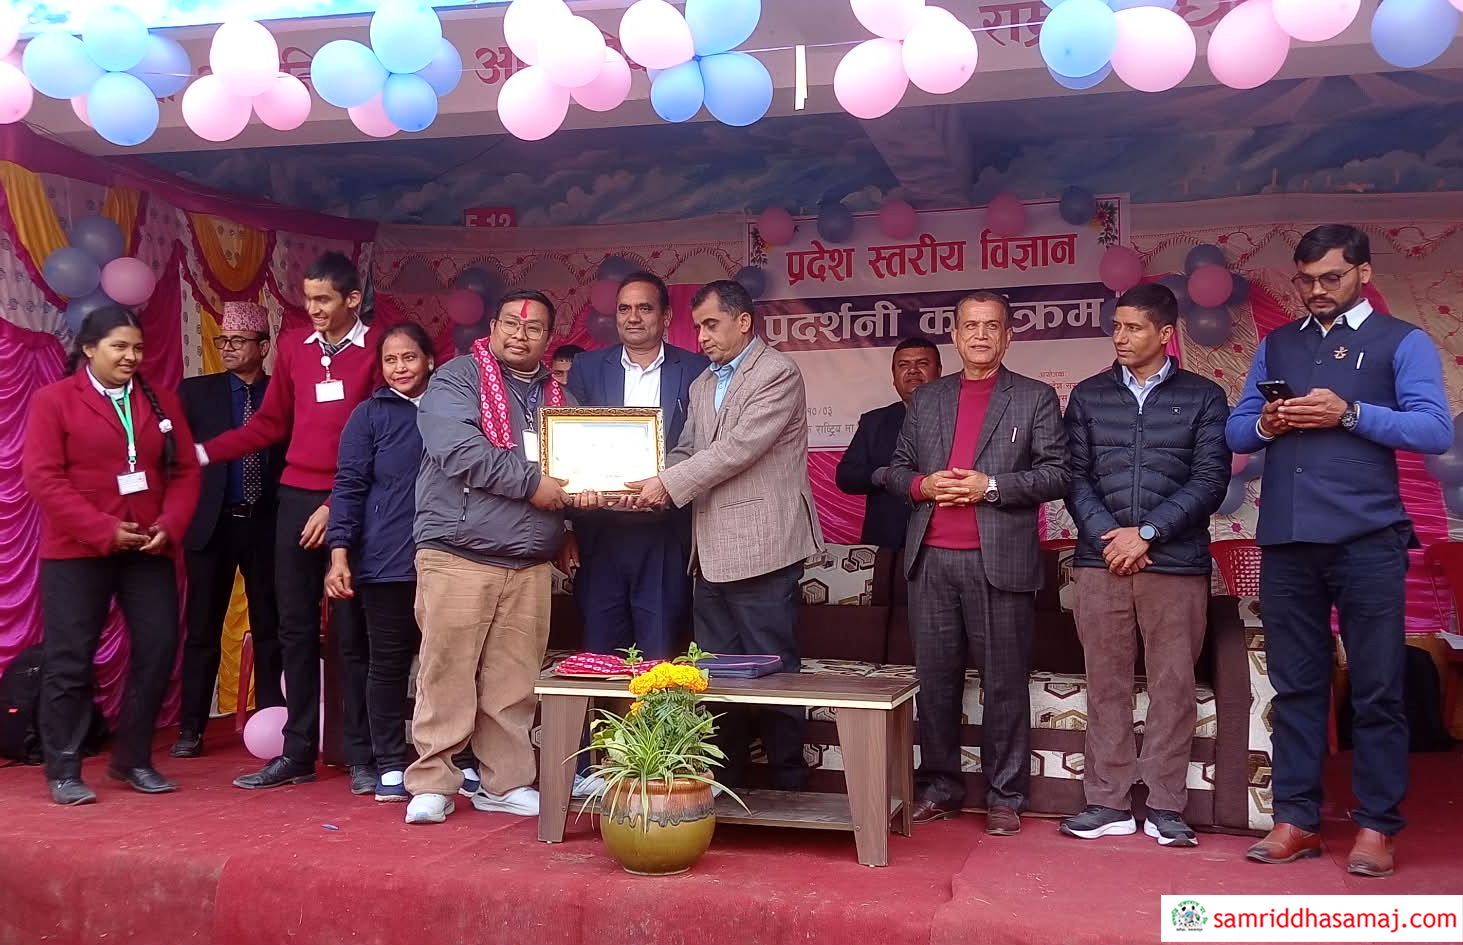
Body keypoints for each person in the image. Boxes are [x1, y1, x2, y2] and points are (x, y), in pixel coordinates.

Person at [1229, 224, 1452, 878]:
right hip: (1288, 541)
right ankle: (1295, 819)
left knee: (1377, 688)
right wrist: (1266, 422)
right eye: (1305, 280)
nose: (1316, 290)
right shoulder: (1277, 343)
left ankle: (1377, 825)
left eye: (1330, 277)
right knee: (1296, 686)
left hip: (1367, 540)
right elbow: (1236, 429)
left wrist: (1349, 413)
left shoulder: (1401, 340)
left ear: (1363, 273)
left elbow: (1434, 428)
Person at [885, 290, 1070, 833]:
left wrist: (990, 487)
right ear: (955, 335)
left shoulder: (1034, 397)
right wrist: (922, 485)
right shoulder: (929, 398)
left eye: (991, 326)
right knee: (936, 683)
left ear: (1008, 336)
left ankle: (1006, 795)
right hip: (932, 561)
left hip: (1000, 562)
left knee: (1004, 684)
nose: (981, 335)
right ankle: (939, 787)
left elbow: (1058, 474)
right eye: (970, 326)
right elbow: (896, 469)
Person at [628, 279, 824, 791]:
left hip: (764, 546)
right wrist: (641, 478)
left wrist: (667, 485)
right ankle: (726, 778)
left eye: (711, 325)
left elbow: (737, 449)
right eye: (697, 327)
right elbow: (689, 450)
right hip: (709, 551)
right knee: (715, 674)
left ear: (744, 321)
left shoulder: (777, 372)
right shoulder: (701, 384)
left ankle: (788, 783)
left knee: (775, 671)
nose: (702, 337)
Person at [199, 252, 380, 794]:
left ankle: (360, 753)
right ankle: (297, 752)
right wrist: (205, 452)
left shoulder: (378, 349)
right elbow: (271, 423)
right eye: (308, 299)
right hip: (295, 498)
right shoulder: (295, 347)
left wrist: (336, 504)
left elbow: (383, 438)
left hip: (351, 501)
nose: (313, 309)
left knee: (352, 633)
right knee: (294, 628)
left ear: (352, 299)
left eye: (324, 299)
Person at [1059, 283, 1231, 847]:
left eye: (1133, 328)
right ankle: (1107, 803)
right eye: (1117, 326)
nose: (1120, 337)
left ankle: (1164, 806)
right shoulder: (1088, 395)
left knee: (1173, 687)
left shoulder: (1204, 396)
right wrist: (1111, 538)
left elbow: (1210, 481)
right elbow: (1074, 477)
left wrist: (1149, 533)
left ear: (1165, 334)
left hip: (1174, 564)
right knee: (1105, 684)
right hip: (1100, 560)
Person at [404, 289, 577, 825]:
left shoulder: (560, 397)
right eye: (511, 324)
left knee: (514, 682)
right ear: (494, 327)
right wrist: (532, 484)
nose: (520, 335)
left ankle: (505, 783)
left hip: (528, 561)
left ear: (549, 338)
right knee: (446, 672)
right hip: (460, 552)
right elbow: (457, 449)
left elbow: (572, 469)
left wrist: (580, 508)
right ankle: (432, 781)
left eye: (533, 328)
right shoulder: (459, 378)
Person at [21, 306, 201, 805]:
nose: (131, 356)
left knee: (160, 646)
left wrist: (170, 525)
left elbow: (185, 471)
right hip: (76, 549)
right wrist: (102, 530)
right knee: (69, 658)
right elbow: (43, 478)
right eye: (119, 346)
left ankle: (133, 759)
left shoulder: (161, 400)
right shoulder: (54, 400)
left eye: (137, 348)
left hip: (148, 545)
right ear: (89, 349)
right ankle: (63, 768)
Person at [564, 271, 709, 660]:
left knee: (661, 654)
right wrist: (575, 505)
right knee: (601, 653)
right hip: (601, 530)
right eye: (624, 308)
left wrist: (663, 485)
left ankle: (659, 706)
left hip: (665, 531)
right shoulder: (588, 368)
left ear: (666, 316)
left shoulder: (696, 369)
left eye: (644, 308)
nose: (633, 317)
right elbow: (569, 440)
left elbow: (703, 445)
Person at [324, 322, 437, 803]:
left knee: (447, 665)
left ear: (430, 360)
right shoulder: (368, 415)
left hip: (448, 558)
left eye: (409, 357)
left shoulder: (452, 409)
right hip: (386, 561)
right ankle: (388, 761)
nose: (400, 368)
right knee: (387, 664)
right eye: (390, 360)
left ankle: (455, 759)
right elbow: (348, 486)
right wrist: (339, 553)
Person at [171, 302, 285, 759]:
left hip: (267, 524)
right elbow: (175, 457)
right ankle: (190, 729)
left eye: (239, 341)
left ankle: (276, 721)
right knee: (202, 630)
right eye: (224, 341)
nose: (229, 348)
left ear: (264, 346)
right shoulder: (195, 393)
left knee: (271, 627)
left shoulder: (282, 394)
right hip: (211, 526)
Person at [836, 338, 942, 548]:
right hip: (888, 543)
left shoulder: (961, 416)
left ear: (939, 371)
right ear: (894, 377)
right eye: (903, 365)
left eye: (922, 363)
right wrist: (884, 475)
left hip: (942, 540)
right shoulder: (874, 422)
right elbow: (846, 476)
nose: (912, 371)